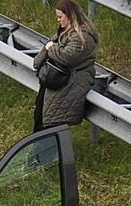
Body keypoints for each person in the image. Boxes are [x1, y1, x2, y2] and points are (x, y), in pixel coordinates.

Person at [32, 0, 98, 131]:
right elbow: (39, 60)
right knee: (40, 119)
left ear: (70, 16)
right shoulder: (62, 33)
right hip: (55, 82)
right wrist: (49, 48)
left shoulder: (82, 37)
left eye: (60, 17)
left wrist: (51, 48)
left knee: (51, 123)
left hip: (69, 84)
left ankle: (47, 150)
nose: (58, 20)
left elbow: (67, 57)